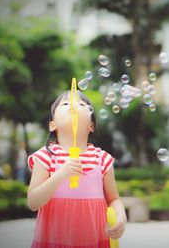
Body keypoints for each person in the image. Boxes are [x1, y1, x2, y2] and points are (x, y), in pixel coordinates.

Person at [27, 90, 126, 248]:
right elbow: (33, 202)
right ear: (53, 125)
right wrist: (60, 175)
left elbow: (113, 199)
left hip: (94, 242)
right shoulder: (46, 156)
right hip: (54, 242)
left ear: (91, 126)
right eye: (65, 104)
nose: (73, 106)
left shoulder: (102, 159)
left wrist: (121, 217)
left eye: (81, 104)